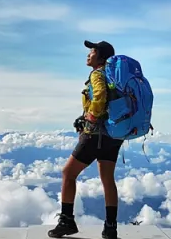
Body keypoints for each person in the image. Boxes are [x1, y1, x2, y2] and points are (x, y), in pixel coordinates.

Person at [48, 40, 124, 239]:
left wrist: (90, 117)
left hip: (96, 135)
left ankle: (66, 222)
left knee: (68, 173)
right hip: (114, 136)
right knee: (107, 179)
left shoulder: (98, 74)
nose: (88, 54)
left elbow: (98, 96)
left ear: (100, 57)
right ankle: (110, 228)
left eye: (92, 51)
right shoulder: (113, 77)